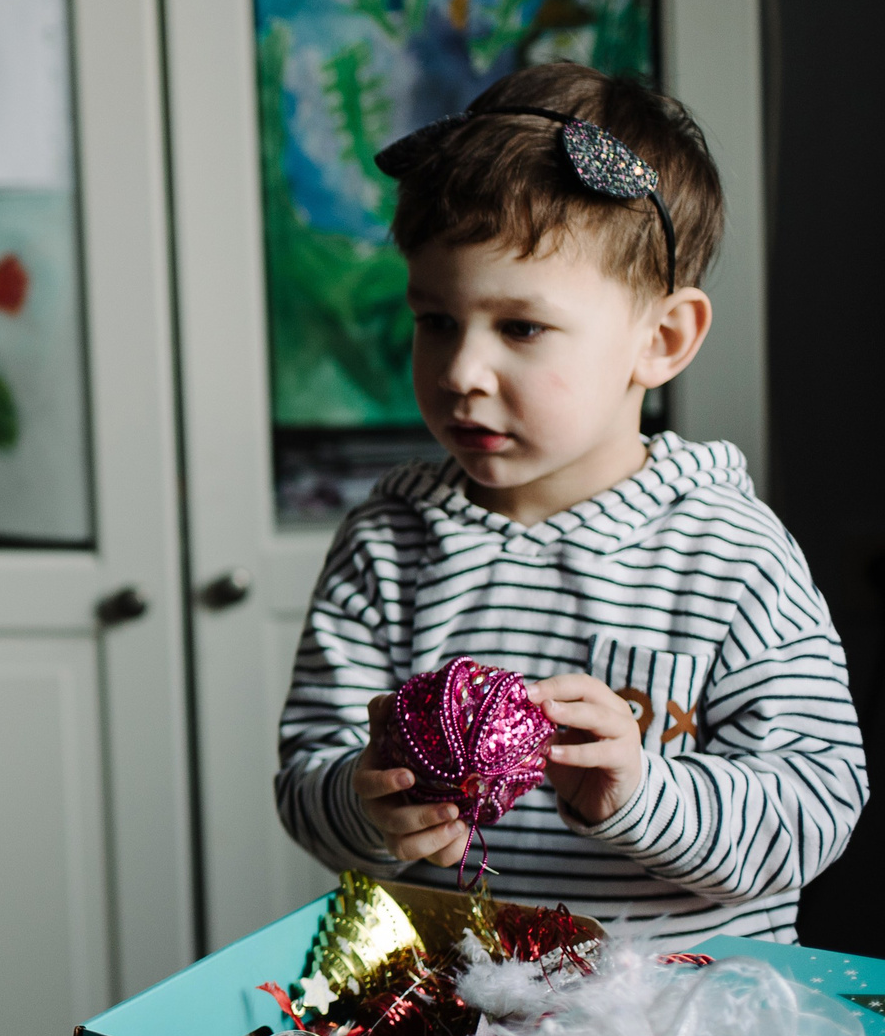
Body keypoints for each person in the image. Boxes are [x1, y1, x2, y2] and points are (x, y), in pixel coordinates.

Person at [276, 62, 865, 946]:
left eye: (521, 327)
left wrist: (645, 793)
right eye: (436, 320)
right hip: (449, 1005)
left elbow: (817, 805)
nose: (461, 372)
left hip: (685, 1015)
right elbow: (305, 783)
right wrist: (366, 803)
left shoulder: (731, 553)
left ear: (661, 338)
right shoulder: (387, 544)